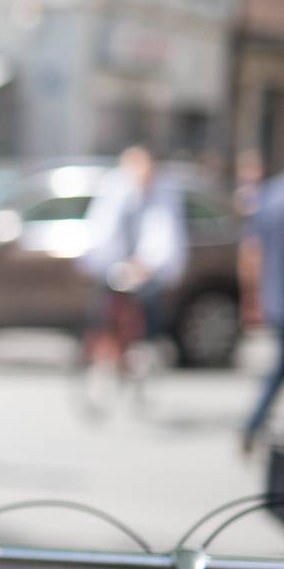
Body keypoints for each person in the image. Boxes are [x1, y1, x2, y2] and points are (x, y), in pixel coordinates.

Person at [78, 145, 188, 409]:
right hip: (112, 265)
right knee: (105, 314)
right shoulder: (115, 189)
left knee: (147, 308)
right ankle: (106, 360)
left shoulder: (163, 192)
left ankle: (142, 351)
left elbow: (164, 235)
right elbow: (103, 231)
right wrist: (114, 263)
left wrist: (146, 264)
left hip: (146, 268)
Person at [241, 166, 284, 452]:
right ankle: (253, 424)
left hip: (274, 296)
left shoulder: (271, 194)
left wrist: (251, 294)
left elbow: (250, 251)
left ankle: (253, 425)